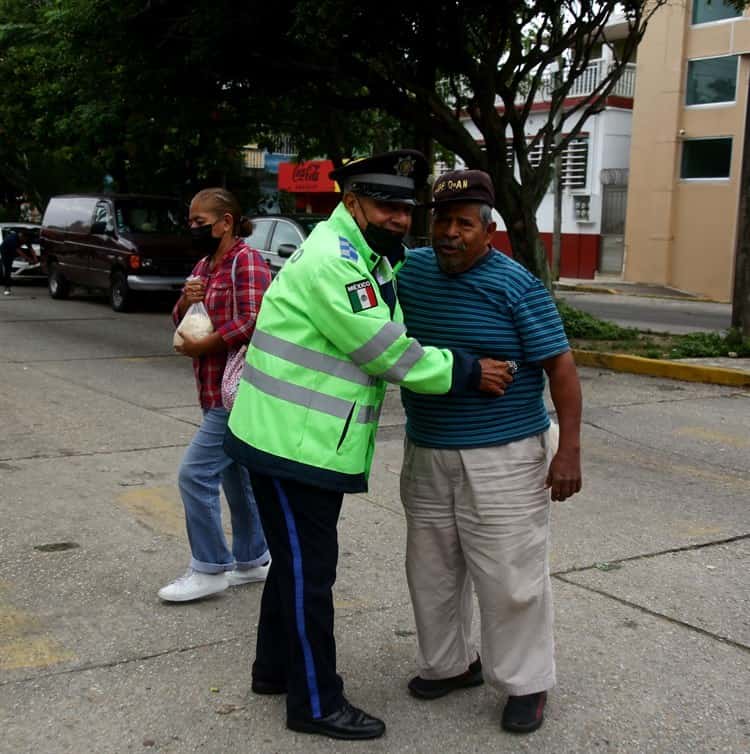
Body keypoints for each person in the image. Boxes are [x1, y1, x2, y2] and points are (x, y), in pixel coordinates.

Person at [224, 150, 515, 741]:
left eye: (406, 209)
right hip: (290, 446)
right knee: (310, 574)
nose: (399, 219)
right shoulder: (337, 263)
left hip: (298, 439)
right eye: (386, 206)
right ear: (351, 200)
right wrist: (467, 370)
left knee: (295, 565)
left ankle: (274, 671)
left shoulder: (363, 252)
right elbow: (389, 353)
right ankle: (314, 702)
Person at [397, 169, 583, 734]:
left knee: (510, 575)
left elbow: (563, 370)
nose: (450, 233)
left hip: (505, 455)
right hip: (427, 449)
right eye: (442, 221)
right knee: (430, 571)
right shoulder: (412, 271)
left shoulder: (517, 286)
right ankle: (451, 665)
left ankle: (526, 683)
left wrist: (568, 451)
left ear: (488, 229)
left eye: (463, 224)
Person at [158, 188, 271, 603]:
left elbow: (256, 320)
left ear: (226, 222)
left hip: (237, 391)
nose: (193, 229)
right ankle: (253, 558)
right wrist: (186, 301)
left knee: (195, 474)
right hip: (211, 389)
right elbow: (184, 318)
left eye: (200, 222)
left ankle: (209, 568)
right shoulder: (205, 264)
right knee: (233, 476)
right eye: (190, 222)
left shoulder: (248, 261)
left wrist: (206, 346)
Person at [1, 229, 34, 295]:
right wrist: (29, 259)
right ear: (21, 236)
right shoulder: (12, 239)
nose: (24, 241)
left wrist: (35, 259)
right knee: (8, 269)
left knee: (28, 251)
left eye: (26, 240)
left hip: (15, 250)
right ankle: (7, 288)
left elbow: (31, 249)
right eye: (23, 239)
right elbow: (19, 251)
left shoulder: (27, 238)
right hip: (6, 252)